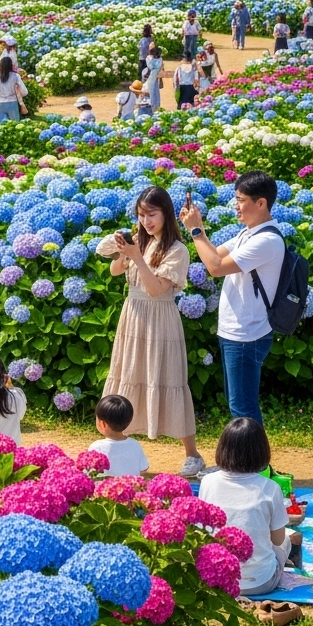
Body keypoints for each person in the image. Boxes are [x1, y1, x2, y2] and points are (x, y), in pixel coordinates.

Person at [98, 186, 200, 475]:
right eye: (142, 215)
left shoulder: (177, 250)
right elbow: (116, 272)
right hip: (133, 314)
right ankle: (116, 446)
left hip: (160, 318)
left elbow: (156, 290)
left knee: (169, 379)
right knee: (128, 375)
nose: (146, 221)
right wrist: (124, 252)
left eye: (152, 214)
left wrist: (137, 257)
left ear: (166, 213)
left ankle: (192, 454)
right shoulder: (140, 240)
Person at [180, 170, 284, 425]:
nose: (235, 206)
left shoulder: (266, 240)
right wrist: (197, 229)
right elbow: (214, 254)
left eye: (240, 200)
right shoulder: (247, 234)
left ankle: (256, 464)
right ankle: (247, 463)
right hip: (235, 332)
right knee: (237, 403)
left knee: (243, 407)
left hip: (247, 334)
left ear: (261, 203)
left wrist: (195, 230)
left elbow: (215, 267)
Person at [199, 418, 301, 595]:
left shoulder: (207, 482)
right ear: (261, 452)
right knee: (286, 541)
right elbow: (277, 540)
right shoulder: (270, 488)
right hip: (260, 582)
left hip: (215, 580)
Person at [88, 394, 149, 477]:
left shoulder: (96, 447)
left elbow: (88, 471)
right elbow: (144, 468)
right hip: (131, 488)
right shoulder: (135, 445)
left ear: (102, 424)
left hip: (105, 489)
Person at [0, 57, 27, 124]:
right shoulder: (15, 76)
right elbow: (24, 91)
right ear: (11, 65)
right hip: (12, 102)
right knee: (14, 125)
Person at [144, 45, 163, 111]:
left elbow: (150, 67)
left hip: (149, 75)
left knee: (149, 90)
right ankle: (156, 105)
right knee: (155, 91)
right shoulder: (160, 59)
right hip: (156, 75)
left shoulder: (148, 58)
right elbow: (159, 66)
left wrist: (152, 59)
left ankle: (150, 104)